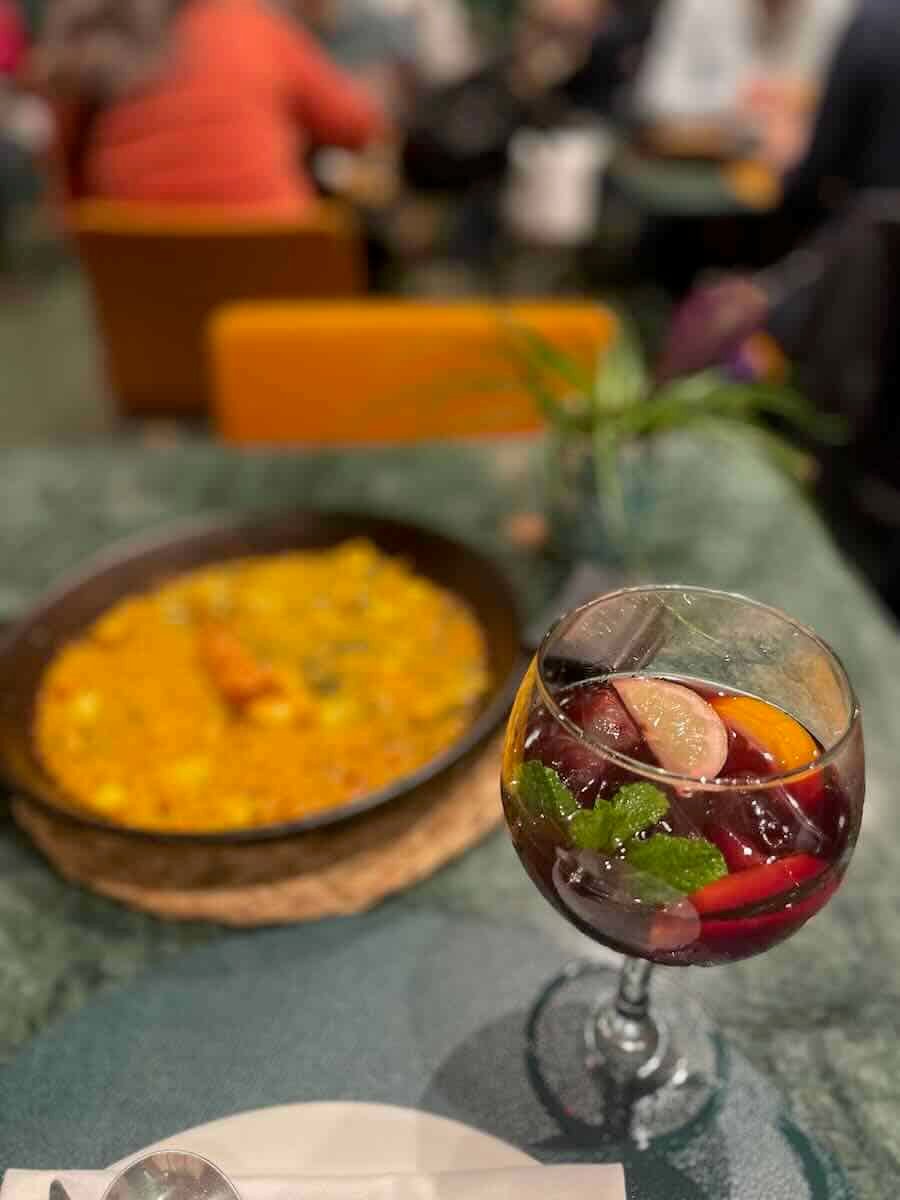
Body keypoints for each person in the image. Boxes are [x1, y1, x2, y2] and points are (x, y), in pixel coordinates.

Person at [36, 0, 388, 213]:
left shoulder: (90, 47)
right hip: (276, 283)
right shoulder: (248, 25)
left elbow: (72, 196)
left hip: (143, 292)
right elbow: (359, 125)